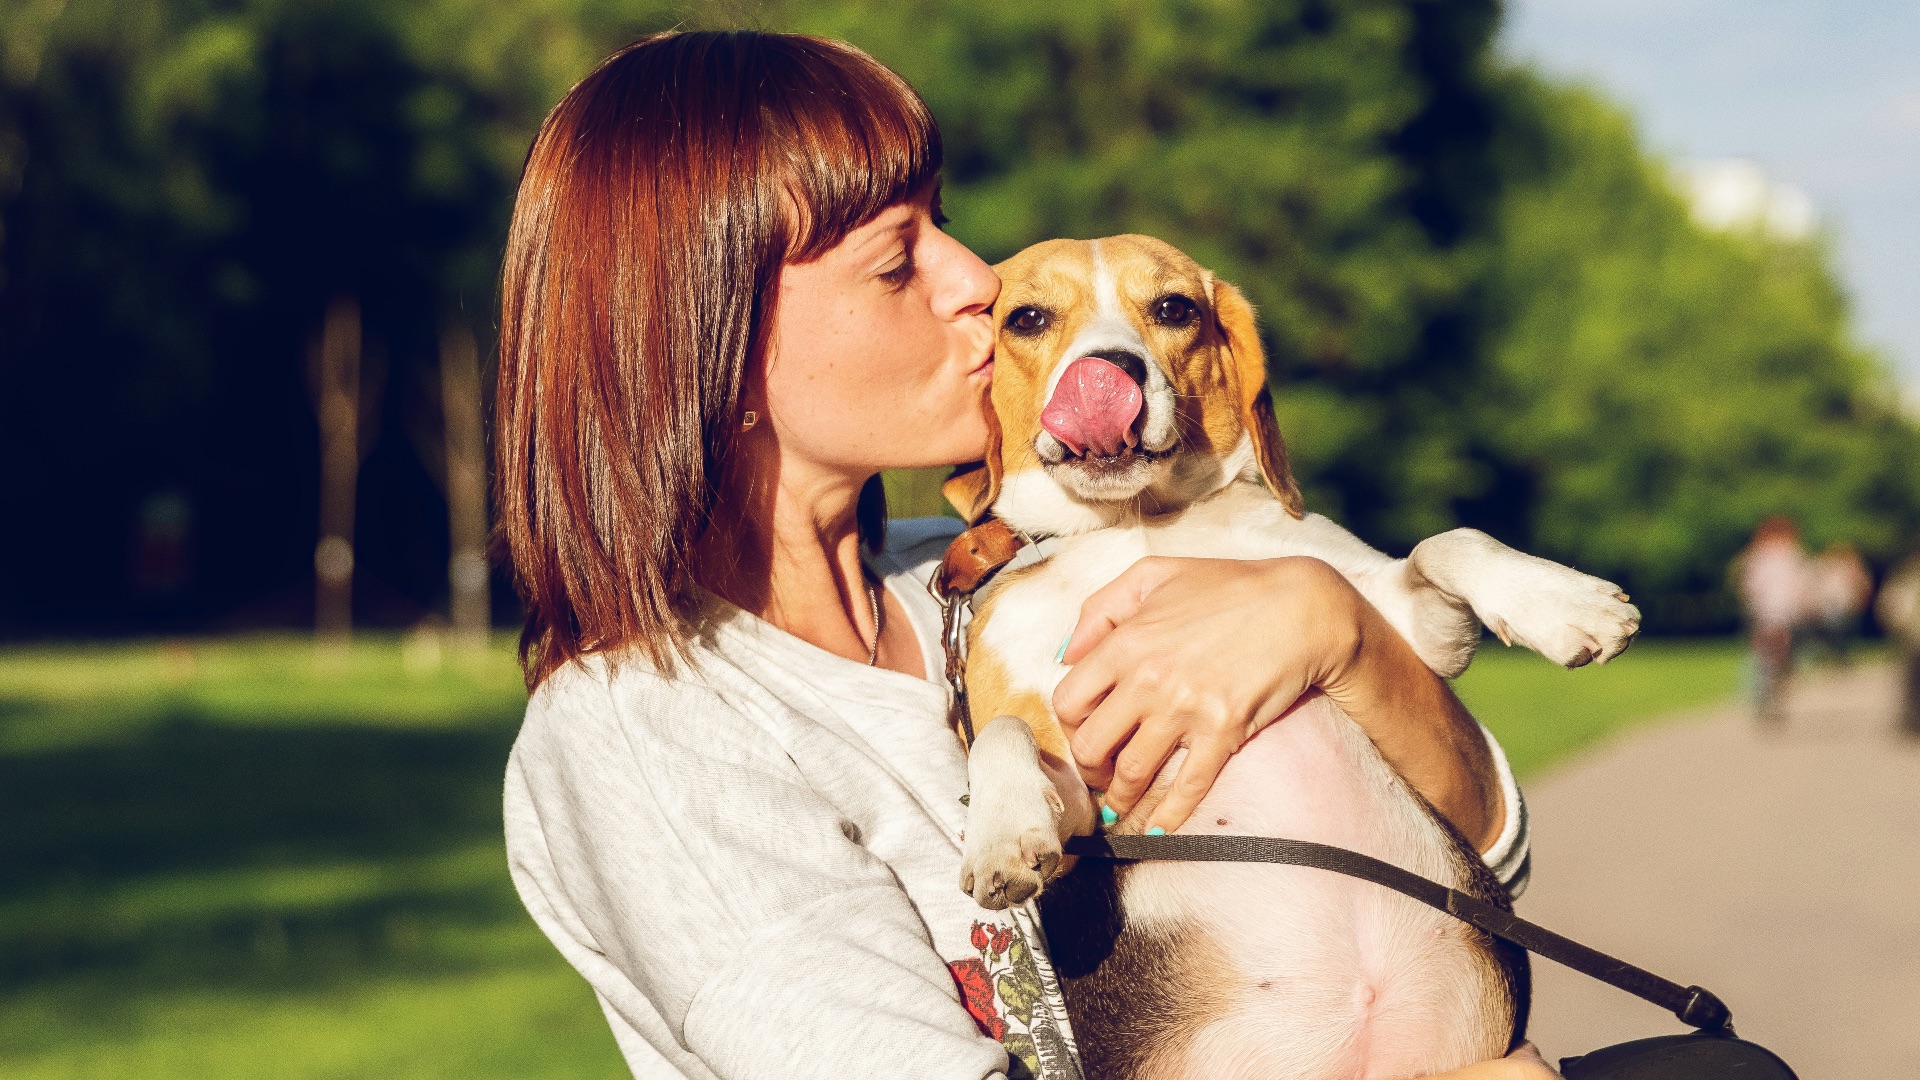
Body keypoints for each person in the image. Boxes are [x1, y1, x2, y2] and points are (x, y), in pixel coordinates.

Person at [495, 30, 1551, 1080]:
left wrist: (1340, 634)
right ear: (711, 342)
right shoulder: (646, 728)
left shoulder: (988, 575)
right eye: (898, 259)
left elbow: (1486, 864)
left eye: (944, 227)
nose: (975, 280)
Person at [1733, 517, 1808, 727]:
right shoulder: (1775, 557)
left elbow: (1748, 587)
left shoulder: (1765, 557)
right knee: (1772, 659)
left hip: (1776, 615)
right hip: (1773, 615)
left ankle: (1765, 697)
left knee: (1770, 659)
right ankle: (1765, 697)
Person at [1806, 543, 1872, 665]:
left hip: (1845, 611)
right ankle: (1833, 654)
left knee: (1838, 627)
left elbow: (1864, 589)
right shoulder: (1824, 570)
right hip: (1827, 611)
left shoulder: (1851, 571)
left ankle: (1837, 654)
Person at [1878, 552, 1920, 736]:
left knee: (1912, 681)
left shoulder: (1906, 575)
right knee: (1913, 681)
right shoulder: (1908, 575)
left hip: (1912, 636)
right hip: (1913, 637)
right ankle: (1913, 719)